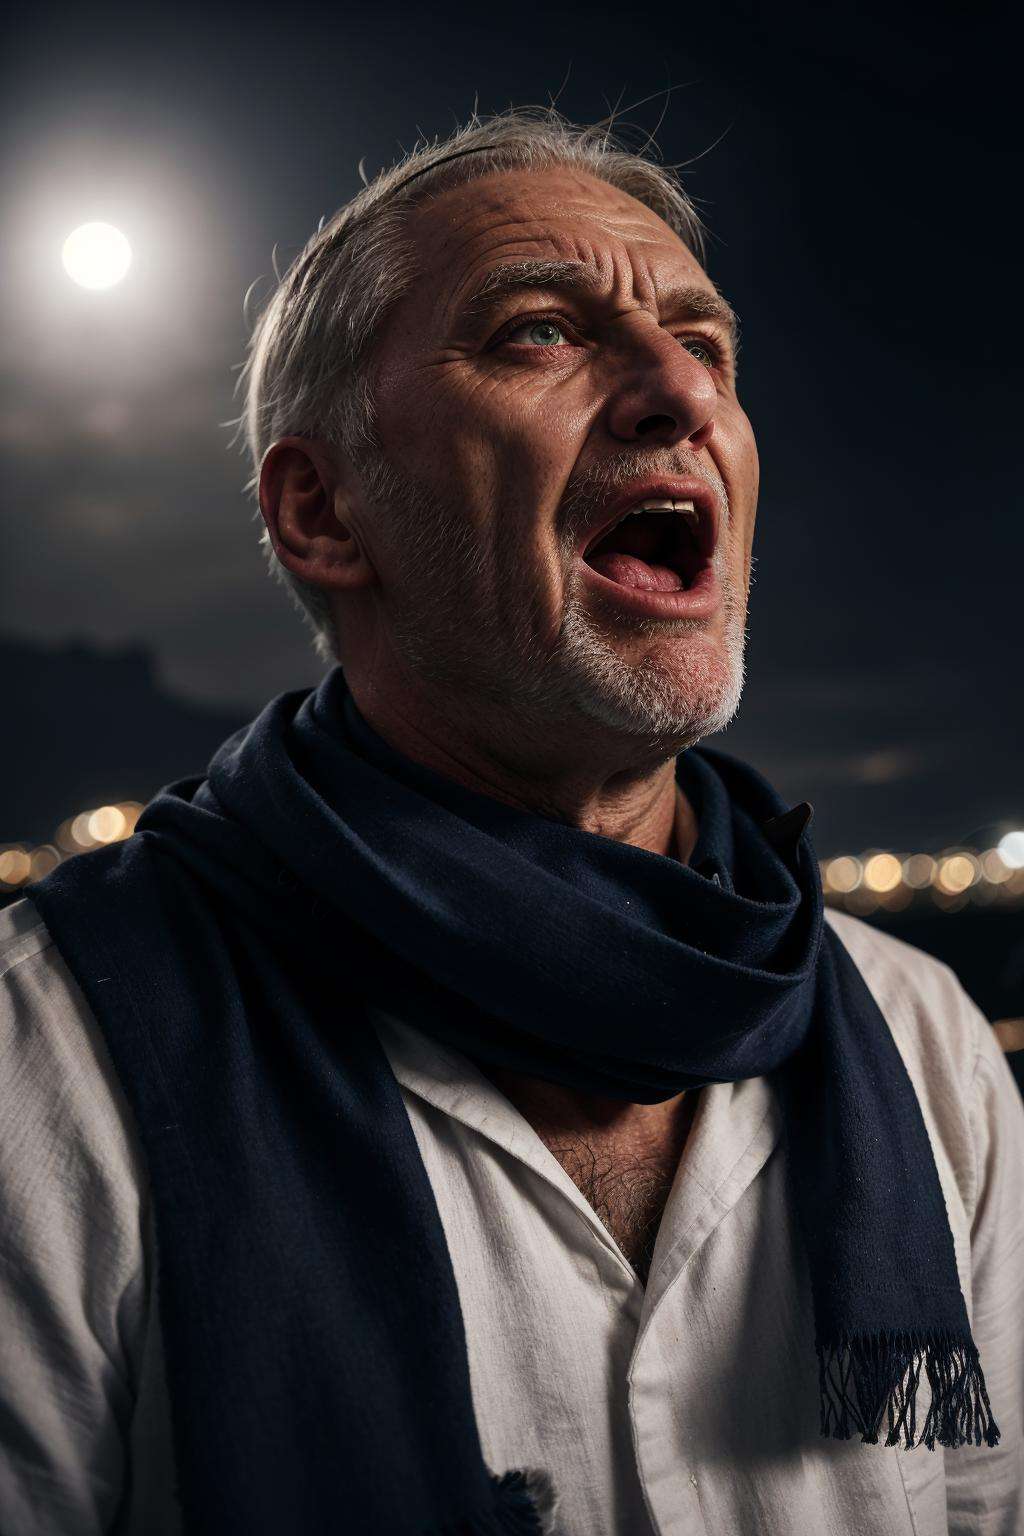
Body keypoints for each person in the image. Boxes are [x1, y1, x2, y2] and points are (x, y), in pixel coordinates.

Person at [1, 108, 1021, 1536]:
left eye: (708, 345)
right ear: (321, 514)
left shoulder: (925, 1047)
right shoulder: (45, 1060)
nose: (679, 389)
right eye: (541, 331)